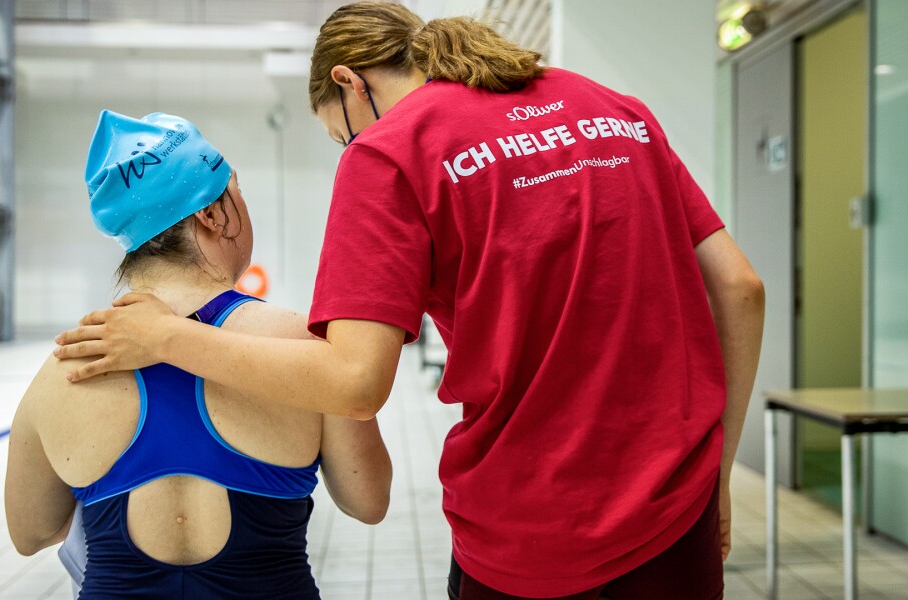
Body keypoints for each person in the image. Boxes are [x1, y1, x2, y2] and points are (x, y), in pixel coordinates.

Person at [54, 3, 765, 599]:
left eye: (341, 134)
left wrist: (167, 339)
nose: (350, 148)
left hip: (536, 532)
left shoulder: (391, 151)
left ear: (349, 81)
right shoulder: (612, 109)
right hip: (679, 515)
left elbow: (355, 382)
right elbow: (740, 289)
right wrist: (716, 476)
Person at [5, 110, 392, 599]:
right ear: (211, 214)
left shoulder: (66, 367)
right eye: (236, 189)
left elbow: (30, 533)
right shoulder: (304, 345)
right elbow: (367, 500)